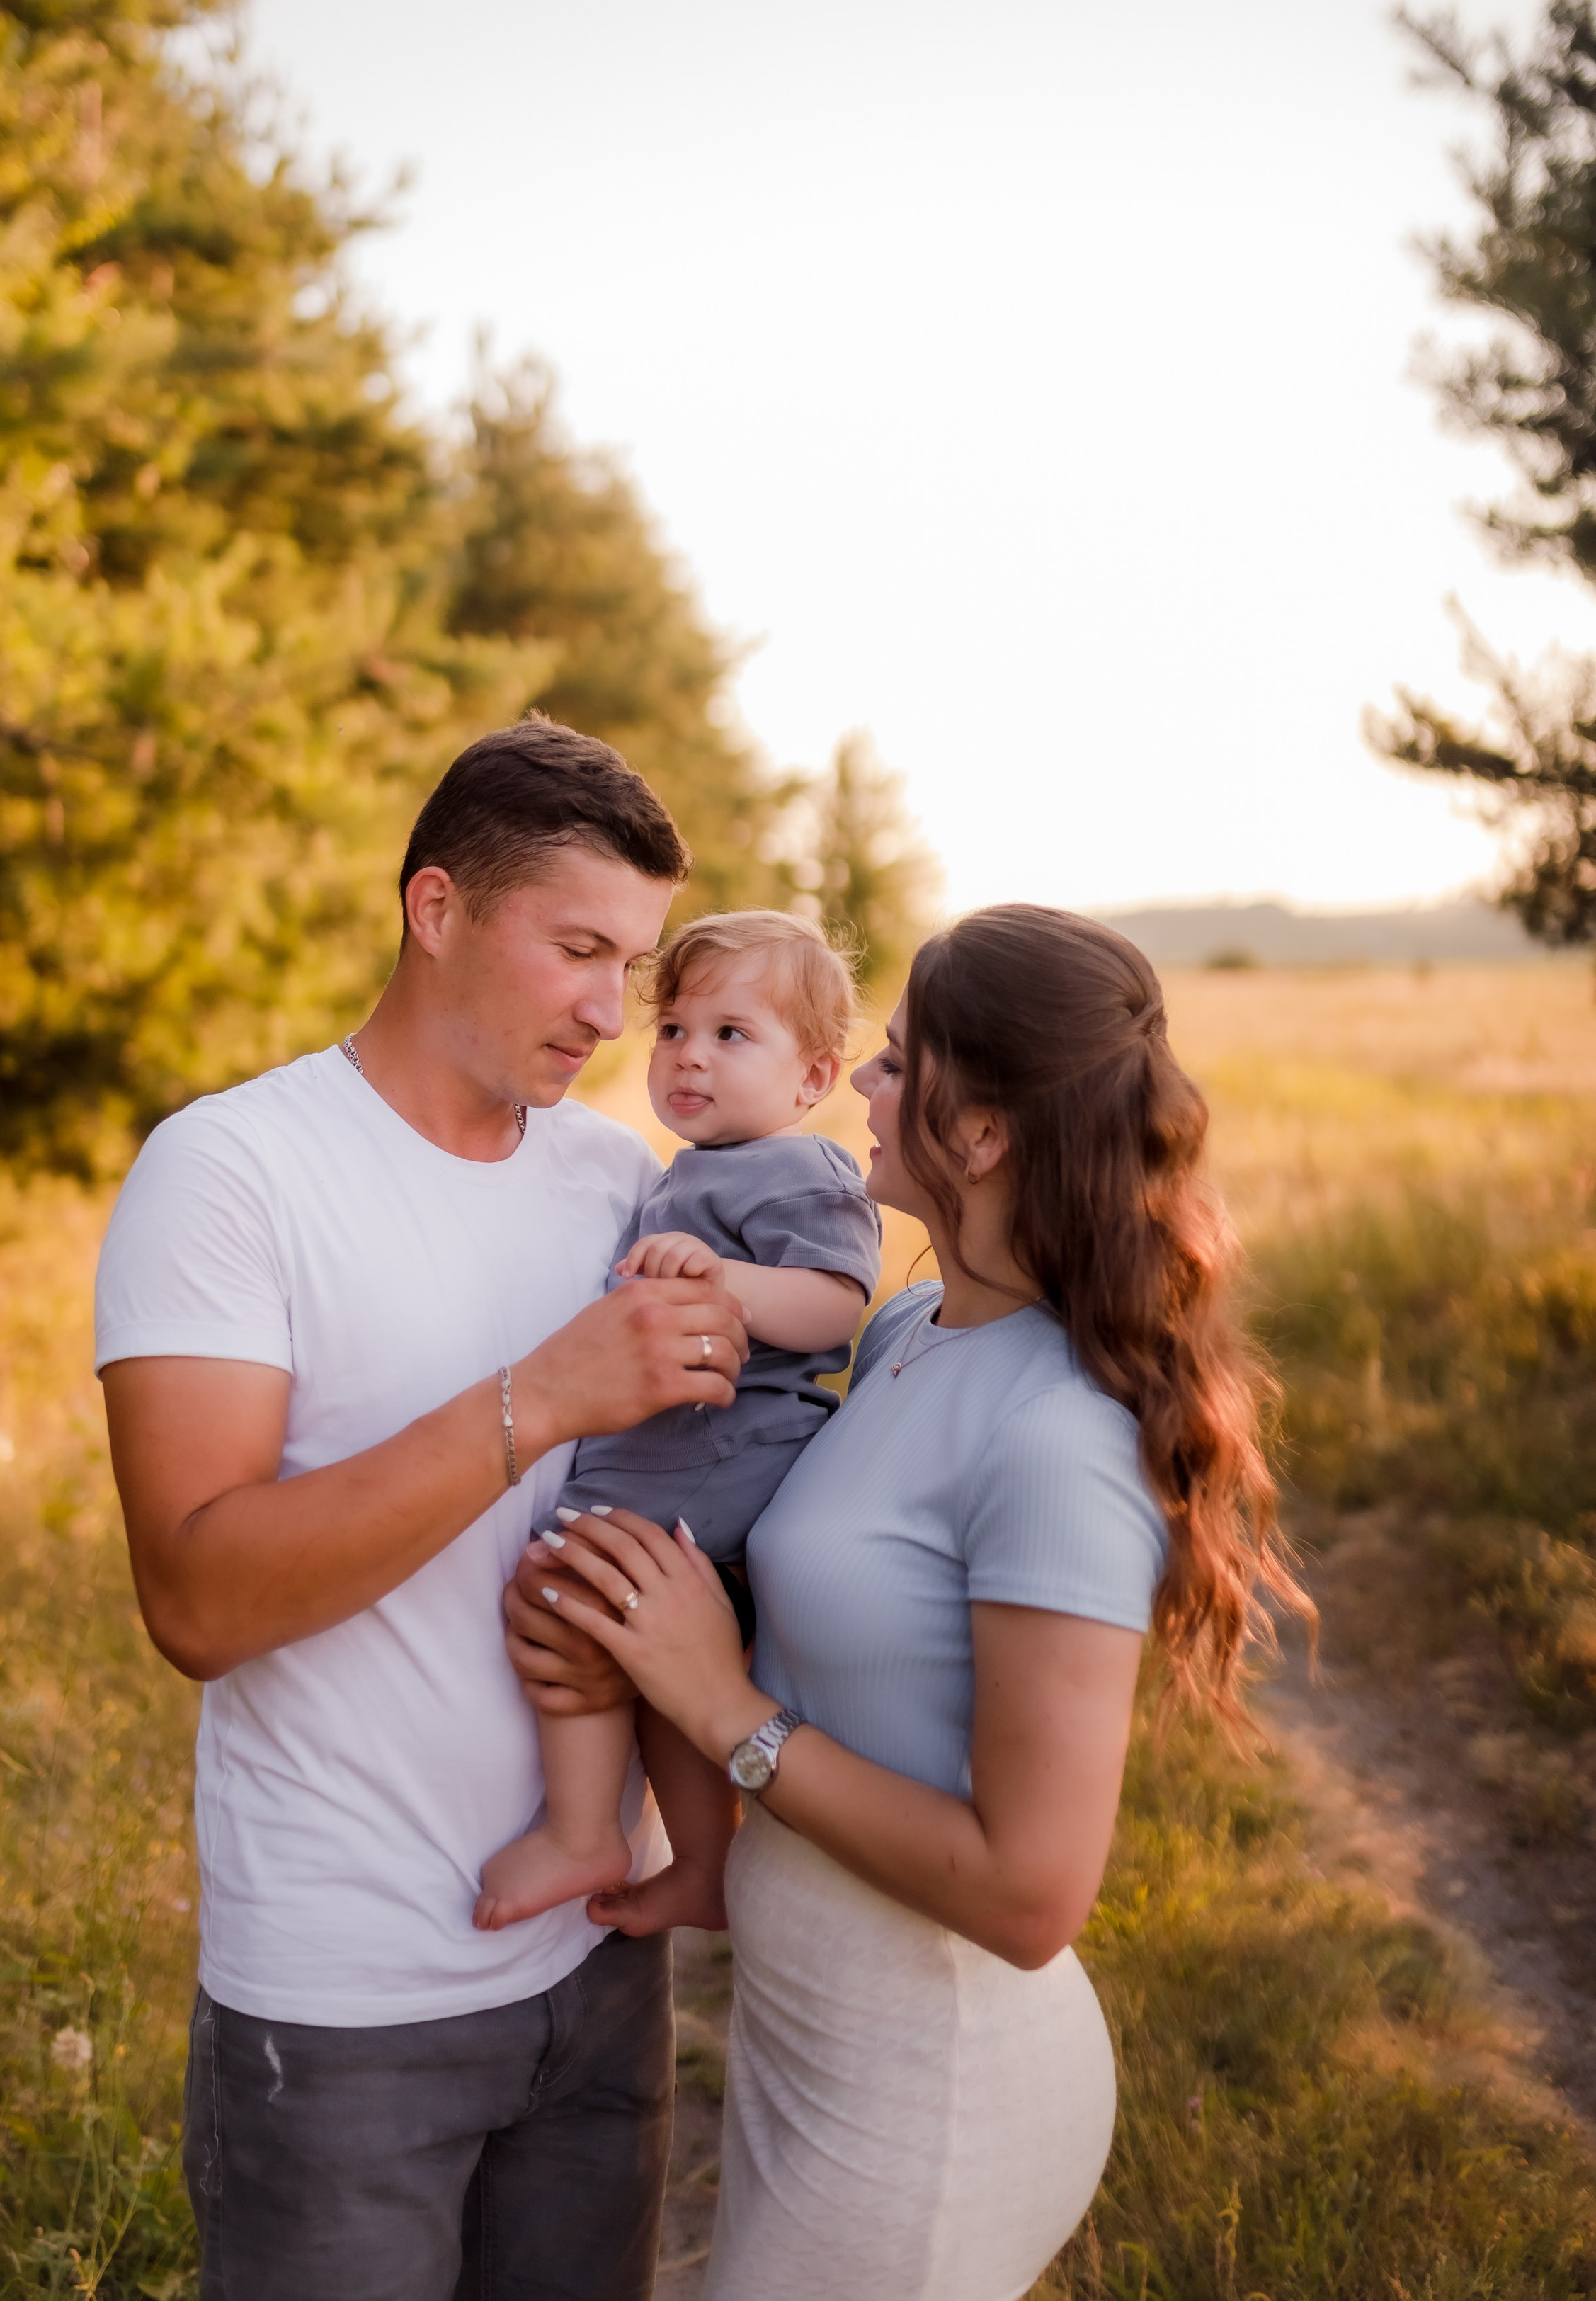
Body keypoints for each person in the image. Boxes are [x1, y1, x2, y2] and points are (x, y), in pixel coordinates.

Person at [511, 903, 1312, 2301]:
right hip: (805, 2050)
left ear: (985, 1133)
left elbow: (1028, 1895)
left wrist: (721, 1706)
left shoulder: (1057, 1435)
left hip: (928, 2095)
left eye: (894, 1061)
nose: (864, 1090)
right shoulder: (904, 1328)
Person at [95, 718, 751, 2301]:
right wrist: (543, 1397)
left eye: (637, 963)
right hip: (342, 2011)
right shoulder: (231, 1171)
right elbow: (197, 1601)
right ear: (437, 909)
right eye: (577, 949)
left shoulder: (621, 1182)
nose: (612, 1011)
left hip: (599, 1967)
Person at [474, 911, 881, 1938]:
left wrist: (726, 1281)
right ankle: (703, 1862)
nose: (690, 1055)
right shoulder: (677, 1176)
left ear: (812, 1078)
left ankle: (582, 1832)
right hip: (674, 1454)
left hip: (720, 1455)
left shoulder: (800, 1170)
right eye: (673, 1031)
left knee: (572, 1584)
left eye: (732, 1035)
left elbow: (835, 1304)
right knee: (655, 1661)